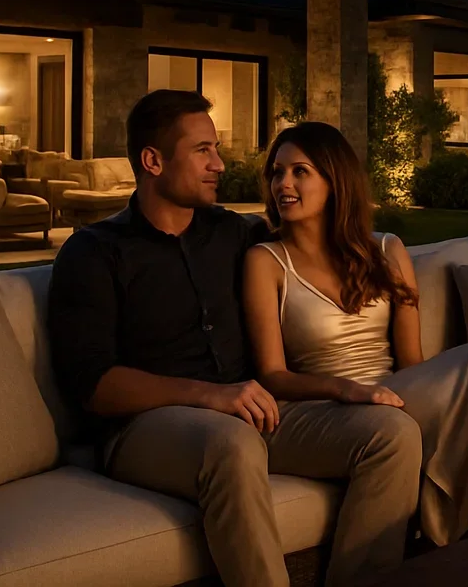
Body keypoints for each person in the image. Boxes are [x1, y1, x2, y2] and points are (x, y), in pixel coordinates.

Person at [47, 91, 421, 587]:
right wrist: (212, 396)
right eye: (203, 150)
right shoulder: (94, 253)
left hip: (259, 413)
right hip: (147, 430)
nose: (219, 164)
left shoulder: (234, 235)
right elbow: (95, 386)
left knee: (392, 435)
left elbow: (309, 253)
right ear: (153, 160)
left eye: (216, 149)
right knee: (231, 441)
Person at [242, 121, 468, 548]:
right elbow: (272, 375)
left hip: (398, 392)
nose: (284, 184)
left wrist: (444, 401)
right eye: (277, 172)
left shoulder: (386, 250)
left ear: (335, 180)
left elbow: (412, 361)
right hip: (330, 410)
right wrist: (347, 390)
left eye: (300, 171)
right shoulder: (266, 261)